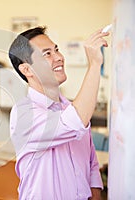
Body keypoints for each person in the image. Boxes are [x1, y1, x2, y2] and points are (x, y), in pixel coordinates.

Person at [8, 26, 109, 199]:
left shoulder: (70, 108)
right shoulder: (24, 115)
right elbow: (74, 121)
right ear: (26, 70)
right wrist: (94, 65)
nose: (59, 58)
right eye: (46, 54)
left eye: (56, 50)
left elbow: (91, 164)